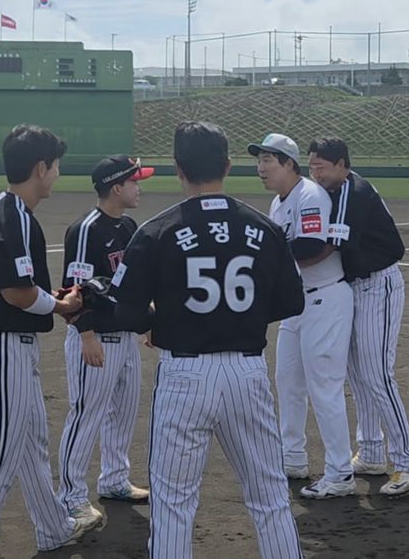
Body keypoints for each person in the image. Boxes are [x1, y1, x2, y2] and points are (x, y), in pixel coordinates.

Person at [111, 121, 305, 559]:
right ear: (229, 165)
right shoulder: (264, 227)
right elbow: (291, 302)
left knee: (174, 505)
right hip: (247, 372)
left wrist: (164, 319)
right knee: (271, 499)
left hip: (185, 375)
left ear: (178, 169)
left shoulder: (156, 231)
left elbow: (126, 310)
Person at [0, 124, 87, 558]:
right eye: (56, 166)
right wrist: (61, 306)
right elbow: (17, 292)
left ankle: (52, 528)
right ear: (40, 168)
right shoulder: (13, 216)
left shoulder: (7, 209)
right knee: (1, 451)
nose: (57, 174)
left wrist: (53, 302)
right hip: (0, 343)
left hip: (6, 342)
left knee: (30, 440)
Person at [307, 136, 409, 496]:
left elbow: (331, 245)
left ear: (342, 165)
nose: (316, 173)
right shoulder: (332, 191)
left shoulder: (351, 193)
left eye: (321, 167)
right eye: (312, 166)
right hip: (355, 285)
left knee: (377, 374)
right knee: (357, 373)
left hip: (379, 285)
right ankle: (372, 451)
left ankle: (407, 462)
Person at [249, 132, 356, 499]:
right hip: (298, 303)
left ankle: (340, 472)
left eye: (268, 160)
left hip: (325, 299)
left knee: (323, 387)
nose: (261, 167)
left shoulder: (310, 195)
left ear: (289, 164)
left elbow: (313, 244)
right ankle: (292, 457)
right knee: (288, 380)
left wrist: (266, 259)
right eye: (259, 160)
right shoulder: (278, 204)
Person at [56, 155, 154, 532]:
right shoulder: (86, 229)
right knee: (85, 416)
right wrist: (85, 333)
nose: (139, 187)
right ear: (116, 187)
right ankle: (72, 498)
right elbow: (72, 289)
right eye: (134, 181)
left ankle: (114, 479)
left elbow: (132, 282)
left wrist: (148, 321)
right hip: (96, 338)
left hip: (125, 337)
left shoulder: (128, 225)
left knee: (123, 414)